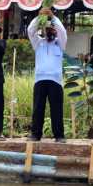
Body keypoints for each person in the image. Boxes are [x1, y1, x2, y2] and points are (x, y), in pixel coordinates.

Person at [27, 8, 67, 143]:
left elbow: (62, 31)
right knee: (38, 108)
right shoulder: (38, 42)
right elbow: (30, 30)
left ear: (55, 32)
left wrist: (53, 17)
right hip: (40, 79)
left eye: (52, 30)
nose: (50, 32)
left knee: (56, 109)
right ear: (43, 31)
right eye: (47, 30)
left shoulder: (60, 43)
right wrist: (39, 17)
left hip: (55, 81)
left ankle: (59, 136)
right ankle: (35, 134)